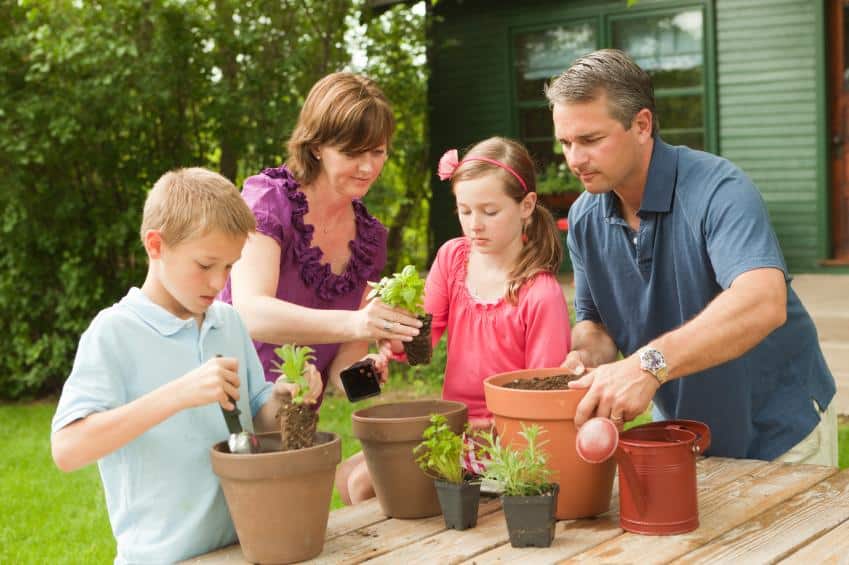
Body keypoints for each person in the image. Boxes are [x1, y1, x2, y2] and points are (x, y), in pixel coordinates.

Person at [549, 49, 837, 464]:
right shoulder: (583, 218)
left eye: (591, 140)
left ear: (642, 124)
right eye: (566, 142)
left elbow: (763, 302)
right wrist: (586, 358)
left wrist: (646, 366)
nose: (574, 159)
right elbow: (596, 323)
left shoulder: (720, 189)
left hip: (781, 435)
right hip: (683, 435)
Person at [51, 168, 323, 563]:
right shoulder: (113, 333)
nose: (218, 283)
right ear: (156, 245)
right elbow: (67, 449)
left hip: (244, 546)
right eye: (205, 264)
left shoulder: (227, 321)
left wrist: (284, 397)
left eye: (229, 267)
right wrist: (179, 394)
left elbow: (259, 418)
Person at [218, 72, 420, 504]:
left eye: (378, 151)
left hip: (293, 418)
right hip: (226, 405)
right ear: (316, 147)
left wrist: (368, 369)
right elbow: (250, 312)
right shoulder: (267, 200)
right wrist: (356, 321)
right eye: (352, 152)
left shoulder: (368, 240)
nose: (368, 167)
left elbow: (342, 381)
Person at [341, 136, 573, 503]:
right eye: (465, 211)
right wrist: (387, 348)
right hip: (452, 428)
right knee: (346, 474)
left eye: (489, 212)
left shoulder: (540, 294)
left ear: (526, 205)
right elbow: (422, 341)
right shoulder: (453, 258)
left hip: (504, 446)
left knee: (364, 483)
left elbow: (542, 400)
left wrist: (480, 429)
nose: (475, 224)